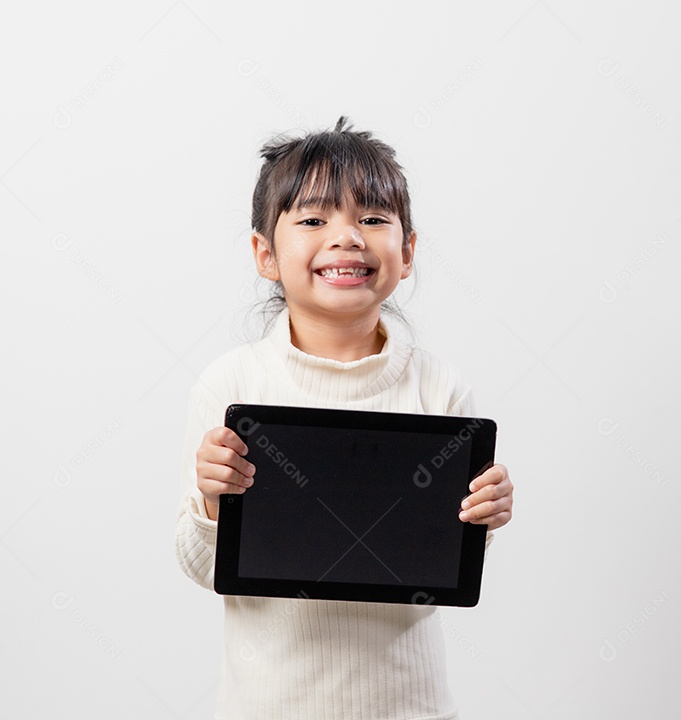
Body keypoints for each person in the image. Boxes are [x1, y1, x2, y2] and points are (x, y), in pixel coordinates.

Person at [173, 116, 514, 719]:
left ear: (406, 253)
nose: (347, 237)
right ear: (265, 254)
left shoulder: (438, 387)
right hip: (269, 707)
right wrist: (210, 502)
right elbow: (204, 569)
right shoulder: (233, 385)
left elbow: (437, 576)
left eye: (373, 219)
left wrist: (479, 520)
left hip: (409, 705)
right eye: (312, 220)